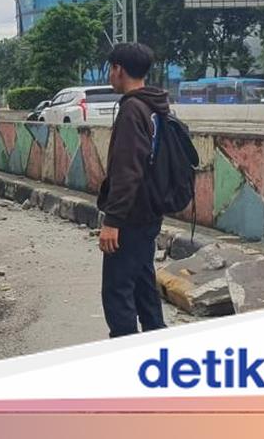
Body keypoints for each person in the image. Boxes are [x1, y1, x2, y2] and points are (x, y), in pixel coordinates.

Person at [97, 42, 169, 338]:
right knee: (142, 282)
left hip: (130, 216)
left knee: (116, 291)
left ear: (118, 70)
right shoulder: (156, 106)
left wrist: (112, 221)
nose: (110, 76)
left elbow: (127, 171)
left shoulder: (131, 111)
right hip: (151, 210)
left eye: (111, 70)